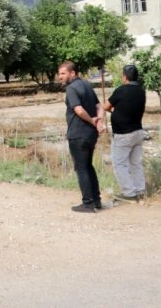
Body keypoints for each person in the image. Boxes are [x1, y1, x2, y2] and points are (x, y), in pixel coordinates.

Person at [59, 60, 105, 213]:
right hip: (90, 134)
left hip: (78, 134)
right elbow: (99, 106)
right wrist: (98, 121)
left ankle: (88, 203)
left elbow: (78, 110)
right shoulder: (86, 85)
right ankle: (97, 201)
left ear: (72, 73)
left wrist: (93, 120)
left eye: (63, 73)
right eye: (59, 74)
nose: (60, 77)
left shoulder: (71, 88)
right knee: (88, 166)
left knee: (81, 168)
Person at [104, 64, 147, 201]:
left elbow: (106, 106)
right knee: (136, 163)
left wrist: (114, 112)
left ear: (124, 77)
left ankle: (129, 193)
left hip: (123, 133)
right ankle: (140, 190)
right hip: (138, 132)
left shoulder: (121, 90)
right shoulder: (141, 91)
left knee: (119, 163)